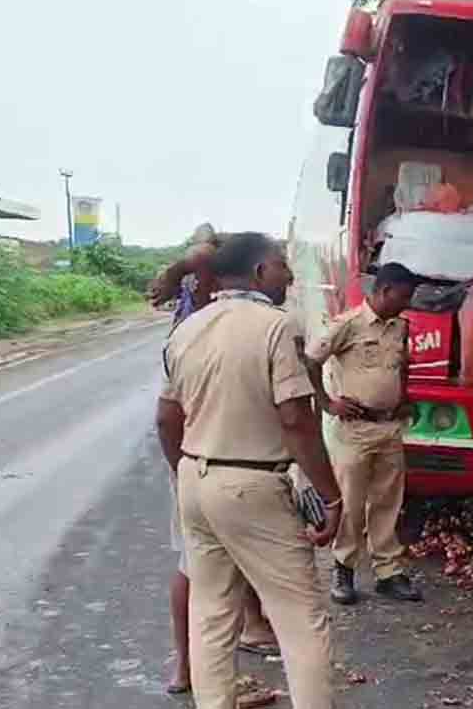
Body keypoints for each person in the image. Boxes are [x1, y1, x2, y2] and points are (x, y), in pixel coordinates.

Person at [155, 232, 342, 709]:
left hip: (196, 479)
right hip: (252, 482)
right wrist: (332, 497)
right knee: (300, 616)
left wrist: (189, 474)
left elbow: (166, 417)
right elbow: (297, 420)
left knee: (212, 612)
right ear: (260, 272)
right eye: (282, 265)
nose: (289, 274)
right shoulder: (276, 327)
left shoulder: (188, 329)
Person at [154, 227, 279, 695]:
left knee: (219, 560)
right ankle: (192, 670)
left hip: (201, 452)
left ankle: (242, 632)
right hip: (202, 452)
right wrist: (181, 267)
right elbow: (168, 417)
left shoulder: (200, 314)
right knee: (198, 568)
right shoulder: (205, 310)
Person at [301, 262, 424, 605]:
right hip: (353, 430)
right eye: (402, 296)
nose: (406, 303)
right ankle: (344, 568)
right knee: (351, 503)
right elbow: (310, 361)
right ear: (384, 291)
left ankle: (388, 571)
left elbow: (404, 365)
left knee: (388, 501)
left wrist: (404, 397)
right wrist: (328, 403)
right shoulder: (348, 325)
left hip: (389, 427)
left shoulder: (400, 326)